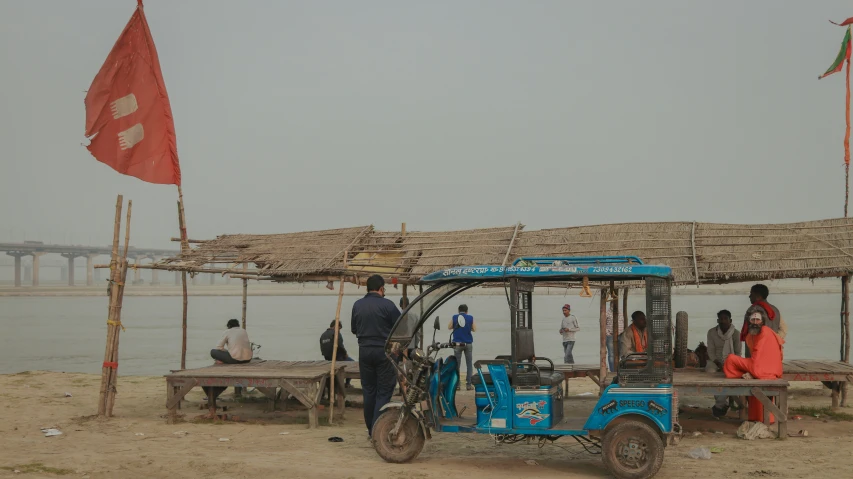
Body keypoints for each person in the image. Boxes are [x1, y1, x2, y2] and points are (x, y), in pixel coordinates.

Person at [351, 274, 400, 439]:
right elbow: (401, 327)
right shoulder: (388, 305)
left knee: (369, 391)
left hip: (364, 351)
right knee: (384, 391)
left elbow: (354, 329)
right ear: (381, 288)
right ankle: (377, 430)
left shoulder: (357, 305)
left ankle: (371, 430)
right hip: (383, 351)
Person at [724, 306, 784, 423]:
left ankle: (746, 374)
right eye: (753, 320)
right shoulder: (750, 336)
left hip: (761, 369)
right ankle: (748, 375)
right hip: (766, 369)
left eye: (758, 320)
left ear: (762, 321)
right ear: (748, 321)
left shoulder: (765, 332)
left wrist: (752, 370)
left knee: (730, 359)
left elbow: (757, 356)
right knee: (737, 361)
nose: (755, 323)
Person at [706, 310, 742, 418]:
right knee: (710, 373)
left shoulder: (736, 333)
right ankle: (723, 404)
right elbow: (711, 351)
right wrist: (719, 364)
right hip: (715, 361)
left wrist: (729, 365)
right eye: (720, 319)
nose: (722, 321)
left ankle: (719, 405)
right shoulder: (711, 332)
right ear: (717, 320)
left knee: (729, 377)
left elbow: (738, 353)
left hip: (732, 362)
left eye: (725, 319)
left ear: (730, 320)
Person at [740, 284, 788, 357]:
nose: (749, 296)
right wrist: (773, 341)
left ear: (758, 296)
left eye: (751, 294)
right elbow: (783, 329)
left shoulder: (753, 310)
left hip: (757, 353)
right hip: (772, 350)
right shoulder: (775, 310)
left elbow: (753, 333)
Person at [448, 304, 476, 391]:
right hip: (468, 344)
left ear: (458, 310)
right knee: (469, 364)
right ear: (467, 311)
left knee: (457, 365)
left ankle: (457, 385)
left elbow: (449, 327)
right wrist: (468, 328)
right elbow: (474, 329)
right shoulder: (470, 318)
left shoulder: (454, 317)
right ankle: (468, 384)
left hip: (457, 344)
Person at [320, 320, 354, 388]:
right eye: (339, 328)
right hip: (338, 359)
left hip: (328, 359)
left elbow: (322, 349)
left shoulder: (323, 335)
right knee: (352, 362)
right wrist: (345, 354)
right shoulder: (336, 333)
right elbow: (340, 346)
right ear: (336, 326)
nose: (339, 330)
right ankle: (347, 383)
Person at [605, 305, 624, 371]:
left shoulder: (621, 312)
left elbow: (623, 322)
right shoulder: (607, 313)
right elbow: (602, 323)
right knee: (611, 354)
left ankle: (619, 368)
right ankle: (612, 370)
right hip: (610, 335)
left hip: (621, 334)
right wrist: (607, 333)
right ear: (610, 304)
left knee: (621, 352)